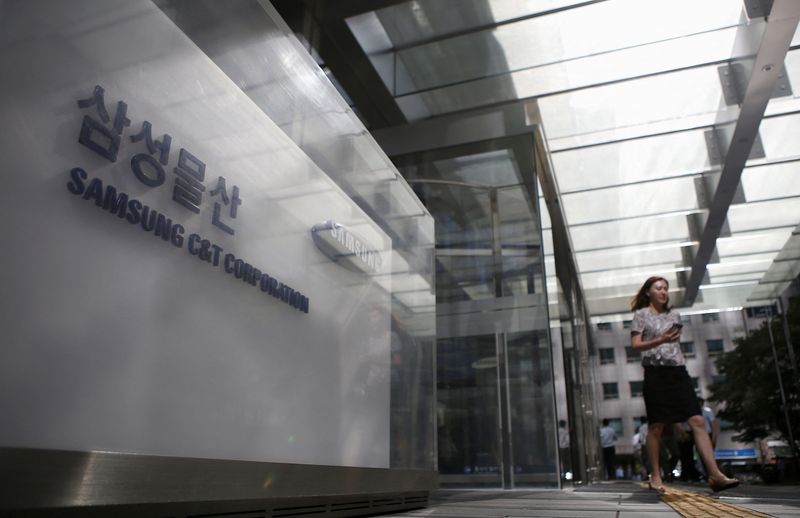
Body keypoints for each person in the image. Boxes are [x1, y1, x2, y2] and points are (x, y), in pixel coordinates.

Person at [629, 276, 739, 493]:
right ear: (648, 292)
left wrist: (667, 341)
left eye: (666, 289)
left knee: (697, 420)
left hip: (678, 372)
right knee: (656, 426)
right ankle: (656, 476)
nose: (663, 292)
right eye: (658, 288)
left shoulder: (674, 315)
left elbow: (674, 344)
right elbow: (635, 345)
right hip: (655, 374)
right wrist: (660, 340)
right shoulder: (640, 315)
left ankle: (715, 475)